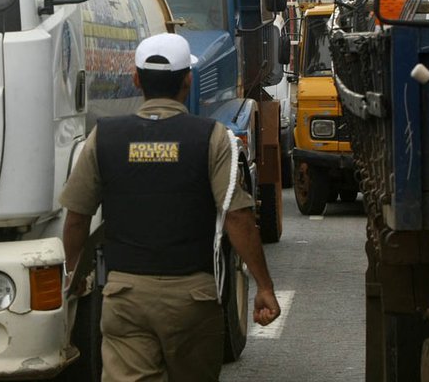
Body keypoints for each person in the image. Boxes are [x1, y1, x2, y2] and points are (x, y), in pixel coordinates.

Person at [61, 32, 281, 381]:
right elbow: (237, 217)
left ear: (136, 79)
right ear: (188, 80)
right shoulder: (213, 137)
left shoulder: (103, 138)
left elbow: (77, 219)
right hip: (193, 299)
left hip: (125, 296)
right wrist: (264, 287)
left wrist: (71, 277)